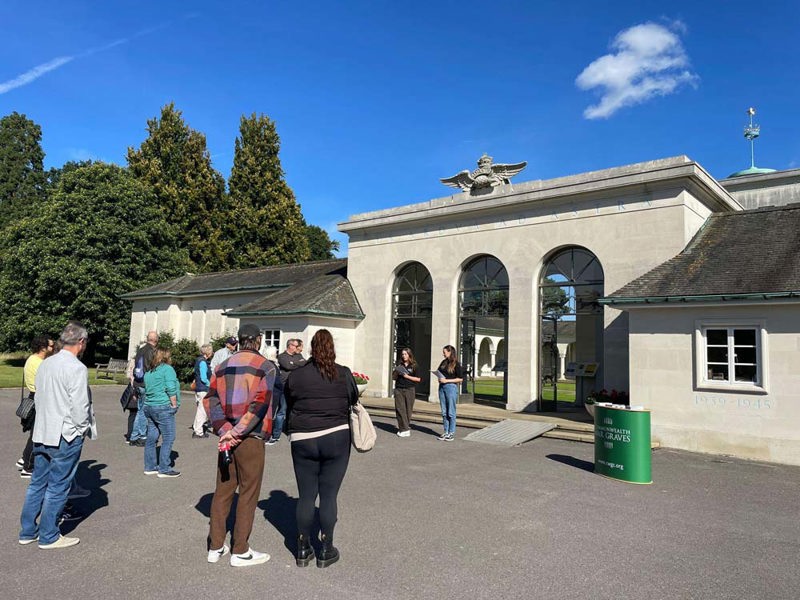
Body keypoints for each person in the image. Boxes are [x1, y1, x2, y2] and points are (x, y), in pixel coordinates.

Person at [19, 321, 96, 549]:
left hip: (42, 431)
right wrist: (81, 430)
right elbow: (80, 406)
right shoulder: (76, 368)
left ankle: (28, 530)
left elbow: (40, 396)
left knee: (37, 483)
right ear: (80, 342)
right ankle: (49, 535)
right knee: (58, 485)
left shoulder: (46, 364)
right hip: (64, 433)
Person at [205, 324, 276, 567]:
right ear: (257, 340)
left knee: (223, 490)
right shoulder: (266, 366)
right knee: (248, 492)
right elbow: (260, 404)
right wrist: (236, 432)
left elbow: (211, 400)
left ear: (238, 341)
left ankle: (215, 546)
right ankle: (240, 550)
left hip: (227, 436)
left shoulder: (221, 366)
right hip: (250, 436)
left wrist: (225, 431)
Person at [284, 329, 356, 568]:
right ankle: (326, 547)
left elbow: (290, 400)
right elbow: (353, 398)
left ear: (311, 349)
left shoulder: (297, 375)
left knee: (306, 495)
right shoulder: (343, 373)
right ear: (331, 348)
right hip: (336, 435)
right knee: (328, 495)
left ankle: (303, 547)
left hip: (304, 436)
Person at [18, 336, 55, 477]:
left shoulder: (32, 359)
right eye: (51, 346)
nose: (53, 349)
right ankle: (28, 466)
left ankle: (25, 459)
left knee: (34, 432)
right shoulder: (40, 363)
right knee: (37, 434)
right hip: (39, 397)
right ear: (43, 347)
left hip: (33, 396)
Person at [142, 346, 181, 478]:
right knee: (169, 437)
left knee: (152, 437)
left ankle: (150, 466)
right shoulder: (167, 369)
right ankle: (164, 468)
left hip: (149, 406)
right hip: (162, 406)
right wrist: (174, 405)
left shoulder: (150, 372)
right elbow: (171, 388)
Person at [129, 331, 159, 447]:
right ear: (156, 340)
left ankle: (134, 436)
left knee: (140, 410)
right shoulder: (152, 351)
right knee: (143, 412)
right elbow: (152, 369)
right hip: (146, 384)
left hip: (138, 382)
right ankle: (142, 436)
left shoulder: (141, 350)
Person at [274, 338, 306, 445]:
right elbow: (287, 366)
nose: (297, 348)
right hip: (284, 386)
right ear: (290, 346)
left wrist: (294, 363)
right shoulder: (282, 356)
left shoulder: (298, 356)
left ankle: (289, 430)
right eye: (296, 346)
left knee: (292, 410)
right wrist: (297, 364)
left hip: (295, 386)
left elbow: (304, 364)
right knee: (282, 410)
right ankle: (276, 434)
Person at [435, 345, 464, 442]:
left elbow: (460, 379)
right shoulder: (443, 362)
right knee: (444, 411)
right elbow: (439, 371)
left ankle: (451, 432)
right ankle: (446, 431)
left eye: (445, 352)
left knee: (451, 411)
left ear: (450, 352)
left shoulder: (456, 364)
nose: (443, 354)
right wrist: (439, 377)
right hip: (442, 387)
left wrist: (446, 381)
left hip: (451, 387)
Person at [392, 347, 421, 437]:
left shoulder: (414, 365)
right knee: (400, 409)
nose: (404, 356)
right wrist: (396, 372)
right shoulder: (399, 364)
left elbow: (418, 379)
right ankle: (403, 429)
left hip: (409, 389)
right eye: (403, 354)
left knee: (408, 409)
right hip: (399, 389)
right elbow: (394, 377)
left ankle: (405, 428)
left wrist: (408, 377)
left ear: (409, 355)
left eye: (405, 354)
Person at [263, 346, 285, 446]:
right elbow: (277, 381)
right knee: (270, 415)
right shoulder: (271, 365)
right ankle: (267, 436)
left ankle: (265, 435)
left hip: (269, 392)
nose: (276, 354)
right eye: (275, 352)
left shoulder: (265, 364)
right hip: (273, 392)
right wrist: (282, 387)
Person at [192, 344, 213, 438]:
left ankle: (197, 428)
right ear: (208, 352)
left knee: (200, 410)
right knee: (202, 411)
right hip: (203, 389)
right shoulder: (203, 362)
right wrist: (211, 384)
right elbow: (204, 378)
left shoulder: (198, 360)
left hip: (198, 389)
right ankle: (198, 432)